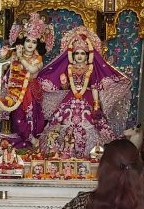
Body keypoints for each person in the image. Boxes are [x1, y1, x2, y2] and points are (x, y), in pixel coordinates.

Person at [39, 26, 132, 159]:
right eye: (77, 53)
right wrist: (64, 82)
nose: (80, 56)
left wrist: (96, 104)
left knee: (96, 124)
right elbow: (65, 87)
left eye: (83, 53)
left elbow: (94, 86)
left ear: (87, 55)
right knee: (59, 122)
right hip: (69, 98)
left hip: (87, 98)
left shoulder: (90, 68)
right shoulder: (69, 68)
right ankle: (60, 152)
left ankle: (92, 153)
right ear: (72, 55)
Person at [0, 11, 54, 148]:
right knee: (18, 119)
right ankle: (28, 140)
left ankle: (33, 141)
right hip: (14, 92)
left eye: (34, 41)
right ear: (22, 42)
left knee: (33, 117)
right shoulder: (15, 56)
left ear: (38, 44)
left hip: (30, 91)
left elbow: (31, 70)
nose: (30, 44)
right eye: (28, 40)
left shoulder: (38, 59)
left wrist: (21, 57)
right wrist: (2, 55)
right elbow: (1, 65)